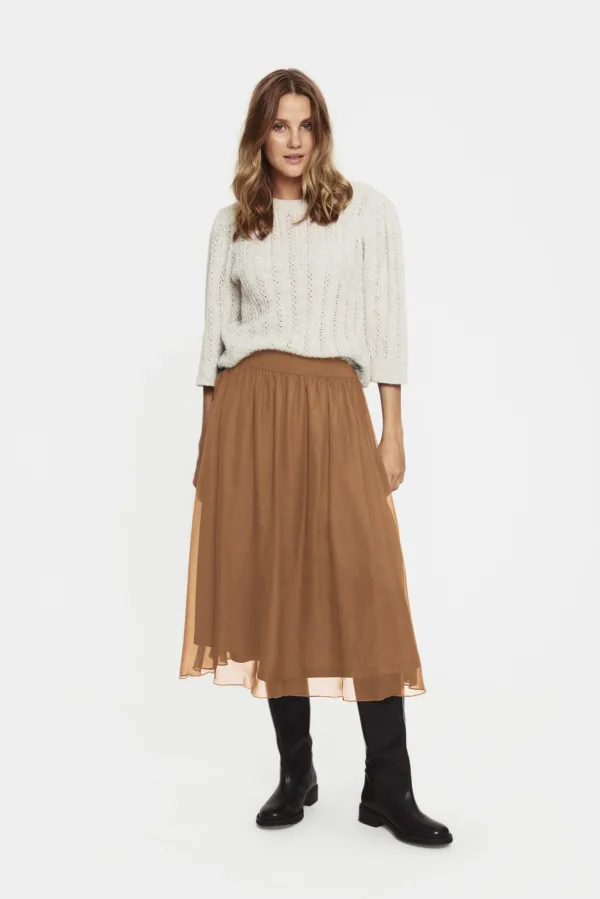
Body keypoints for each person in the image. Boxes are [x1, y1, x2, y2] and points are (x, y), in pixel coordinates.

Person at [179, 68, 453, 848]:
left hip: (334, 408)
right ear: (259, 135)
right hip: (250, 415)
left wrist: (391, 429)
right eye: (280, 125)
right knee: (277, 586)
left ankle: (388, 786)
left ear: (321, 132)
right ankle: (295, 772)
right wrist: (210, 443)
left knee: (366, 585)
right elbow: (213, 345)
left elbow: (386, 324)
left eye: (306, 125)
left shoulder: (367, 212)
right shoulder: (233, 224)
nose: (294, 140)